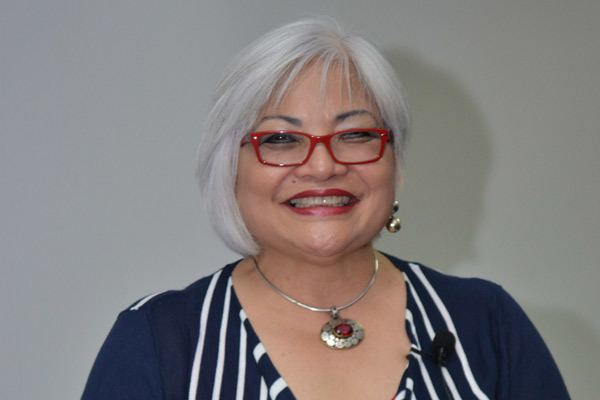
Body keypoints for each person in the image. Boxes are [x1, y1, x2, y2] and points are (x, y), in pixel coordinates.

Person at [82, 18, 570, 399]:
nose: (322, 166)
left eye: (355, 135)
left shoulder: (485, 323)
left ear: (395, 161)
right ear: (229, 168)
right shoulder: (159, 339)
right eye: (281, 139)